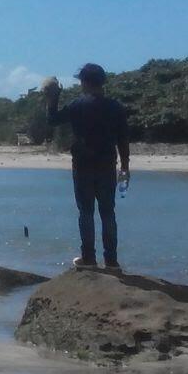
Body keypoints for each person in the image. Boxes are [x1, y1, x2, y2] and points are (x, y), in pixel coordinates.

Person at [43, 63, 130, 269]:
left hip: (82, 166)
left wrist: (53, 97)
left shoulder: (77, 105)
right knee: (108, 213)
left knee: (86, 212)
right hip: (107, 165)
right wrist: (125, 166)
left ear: (83, 82)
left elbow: (53, 120)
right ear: (103, 81)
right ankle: (111, 261)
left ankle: (89, 259)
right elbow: (123, 140)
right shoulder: (116, 107)